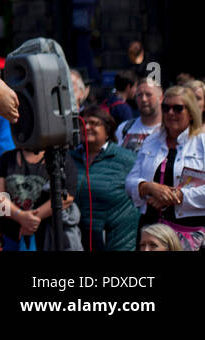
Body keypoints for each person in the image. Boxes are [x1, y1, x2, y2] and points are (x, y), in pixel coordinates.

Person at [125, 85, 205, 249]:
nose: (170, 113)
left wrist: (176, 195)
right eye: (166, 108)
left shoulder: (202, 143)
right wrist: (148, 187)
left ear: (191, 113)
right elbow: (130, 181)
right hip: (151, 229)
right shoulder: (152, 140)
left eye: (178, 108)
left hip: (189, 231)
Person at [72, 105, 138, 251]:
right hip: (80, 240)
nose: (87, 127)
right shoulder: (71, 159)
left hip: (116, 241)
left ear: (107, 130)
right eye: (83, 123)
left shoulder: (127, 160)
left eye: (94, 123)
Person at [0, 143, 79, 251]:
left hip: (48, 239)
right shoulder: (5, 159)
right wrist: (20, 216)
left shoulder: (60, 159)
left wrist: (31, 220)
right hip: (12, 238)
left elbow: (67, 198)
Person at [115, 77, 162, 154]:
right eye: (139, 95)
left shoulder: (169, 130)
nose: (144, 99)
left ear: (160, 98)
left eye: (148, 94)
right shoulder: (123, 128)